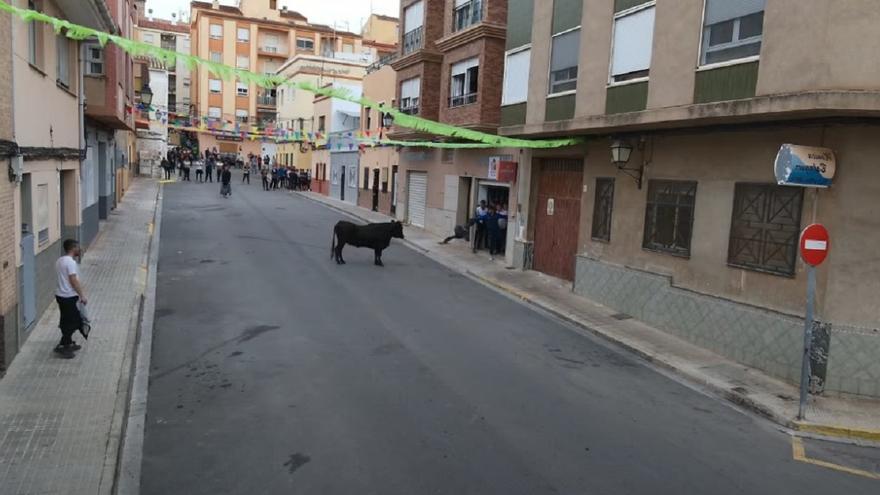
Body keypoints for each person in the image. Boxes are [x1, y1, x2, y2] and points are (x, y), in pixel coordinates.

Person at [54, 239, 86, 358]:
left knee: (66, 319)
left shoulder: (60, 260)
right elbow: (73, 280)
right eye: (78, 247)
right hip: (68, 296)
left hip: (60, 295)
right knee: (73, 321)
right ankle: (64, 346)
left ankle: (66, 342)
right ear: (73, 248)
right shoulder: (71, 263)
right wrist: (82, 295)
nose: (80, 249)